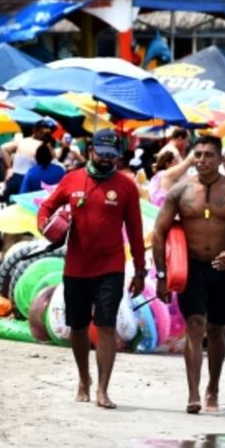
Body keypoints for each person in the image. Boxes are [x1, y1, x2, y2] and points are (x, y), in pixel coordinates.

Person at [37, 129, 145, 409]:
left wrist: (141, 271)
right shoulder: (71, 179)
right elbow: (46, 207)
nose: (107, 160)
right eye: (102, 154)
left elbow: (135, 231)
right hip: (76, 267)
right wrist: (45, 225)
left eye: (112, 155)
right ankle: (84, 379)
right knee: (78, 327)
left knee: (106, 325)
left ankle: (103, 388)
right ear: (90, 151)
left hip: (111, 267)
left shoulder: (126, 186)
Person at [152, 135, 225, 413]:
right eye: (197, 154)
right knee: (195, 325)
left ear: (221, 159)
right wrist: (161, 275)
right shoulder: (180, 191)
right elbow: (159, 232)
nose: (201, 160)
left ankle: (214, 388)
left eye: (208, 155)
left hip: (223, 268)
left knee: (217, 331)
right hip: (193, 267)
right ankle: (193, 393)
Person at [2, 120, 51, 198]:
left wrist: (9, 168)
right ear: (35, 131)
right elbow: (4, 149)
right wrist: (9, 168)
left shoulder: (22, 142)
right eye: (42, 133)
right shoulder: (42, 145)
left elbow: (4, 148)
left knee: (11, 203)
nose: (43, 135)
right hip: (28, 179)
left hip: (17, 177)